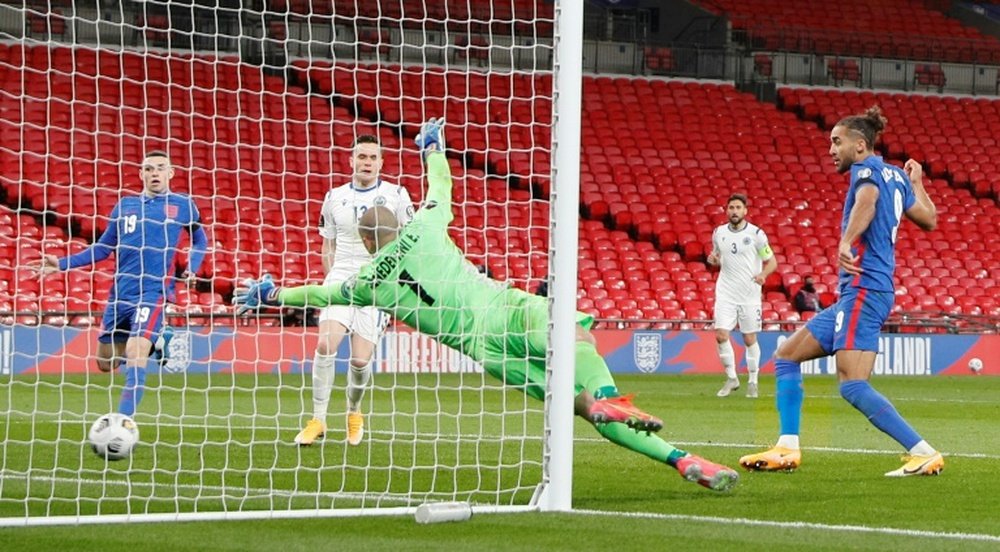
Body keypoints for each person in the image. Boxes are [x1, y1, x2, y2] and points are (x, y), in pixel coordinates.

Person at [236, 118, 740, 491]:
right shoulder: (427, 224)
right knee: (573, 333)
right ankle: (616, 397)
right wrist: (433, 149)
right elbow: (442, 186)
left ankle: (680, 458)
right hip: (505, 307)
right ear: (399, 222)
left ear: (369, 244)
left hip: (484, 348)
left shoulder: (367, 282)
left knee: (581, 410)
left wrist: (271, 293)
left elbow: (318, 294)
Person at [739, 106, 942, 477]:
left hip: (865, 289)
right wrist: (918, 184)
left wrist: (846, 241)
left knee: (852, 385)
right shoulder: (896, 176)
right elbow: (929, 220)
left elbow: (867, 202)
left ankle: (923, 451)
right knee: (786, 356)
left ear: (859, 144)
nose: (831, 149)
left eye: (836, 142)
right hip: (862, 293)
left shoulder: (866, 171)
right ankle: (787, 447)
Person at [33, 150, 207, 417]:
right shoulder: (124, 206)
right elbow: (103, 248)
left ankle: (123, 422)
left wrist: (193, 269)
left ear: (170, 173)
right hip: (120, 294)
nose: (154, 173)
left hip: (154, 292)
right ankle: (159, 340)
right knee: (106, 362)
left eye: (160, 168)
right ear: (141, 174)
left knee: (136, 352)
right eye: (148, 169)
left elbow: (200, 240)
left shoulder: (184, 205)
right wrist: (62, 263)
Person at [294, 135, 414, 447]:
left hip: (377, 281)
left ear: (381, 162)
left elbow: (409, 242)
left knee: (360, 361)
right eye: (361, 156)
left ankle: (354, 412)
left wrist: (393, 283)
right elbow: (327, 245)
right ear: (351, 160)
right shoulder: (334, 196)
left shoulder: (397, 195)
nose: (366, 163)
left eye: (373, 158)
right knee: (325, 343)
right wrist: (332, 281)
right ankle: (317, 419)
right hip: (342, 277)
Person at [706, 193, 777, 399]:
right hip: (726, 291)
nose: (734, 211)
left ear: (745, 211)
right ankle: (732, 378)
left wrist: (763, 274)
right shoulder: (719, 233)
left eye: (738, 208)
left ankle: (753, 381)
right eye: (731, 208)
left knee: (749, 338)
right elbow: (717, 257)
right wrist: (713, 260)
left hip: (749, 294)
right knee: (720, 335)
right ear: (726, 211)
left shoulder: (756, 234)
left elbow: (772, 262)